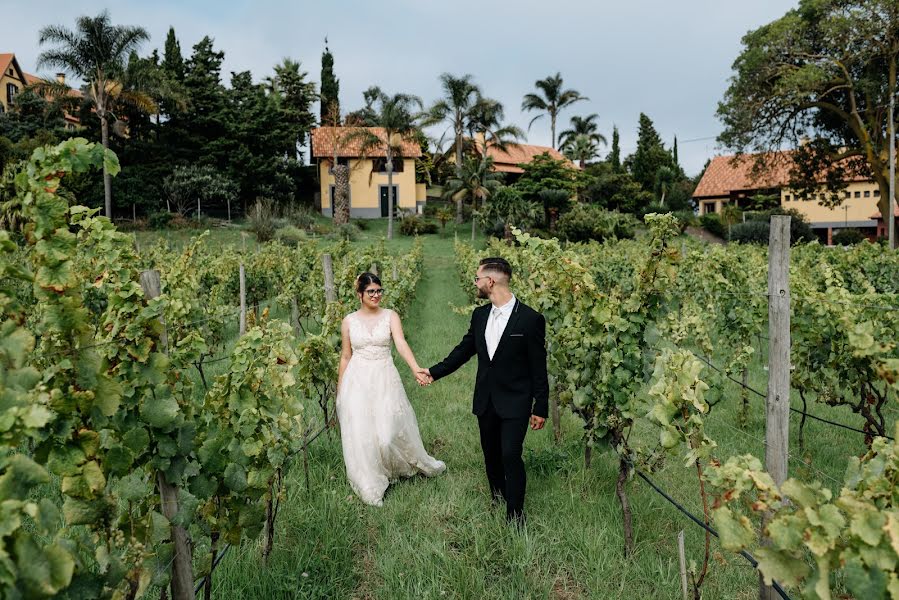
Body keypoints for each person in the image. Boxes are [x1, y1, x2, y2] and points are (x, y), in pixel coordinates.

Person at [417, 257, 548, 525]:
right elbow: (464, 351)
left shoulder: (531, 319)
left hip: (516, 401)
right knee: (491, 454)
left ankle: (515, 516)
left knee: (510, 454)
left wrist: (541, 406)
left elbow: (538, 366)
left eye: (477, 279)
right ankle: (497, 497)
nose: (475, 283)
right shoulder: (479, 316)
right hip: (486, 400)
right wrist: (434, 372)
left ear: (490, 281)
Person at [336, 272, 445, 506]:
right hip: (357, 380)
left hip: (384, 377)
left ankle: (398, 465)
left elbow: (401, 343)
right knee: (363, 432)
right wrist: (341, 389)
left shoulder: (390, 316)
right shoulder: (349, 321)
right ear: (360, 295)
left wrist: (416, 368)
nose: (376, 295)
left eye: (379, 290)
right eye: (371, 292)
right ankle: (372, 477)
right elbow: (346, 356)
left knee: (386, 434)